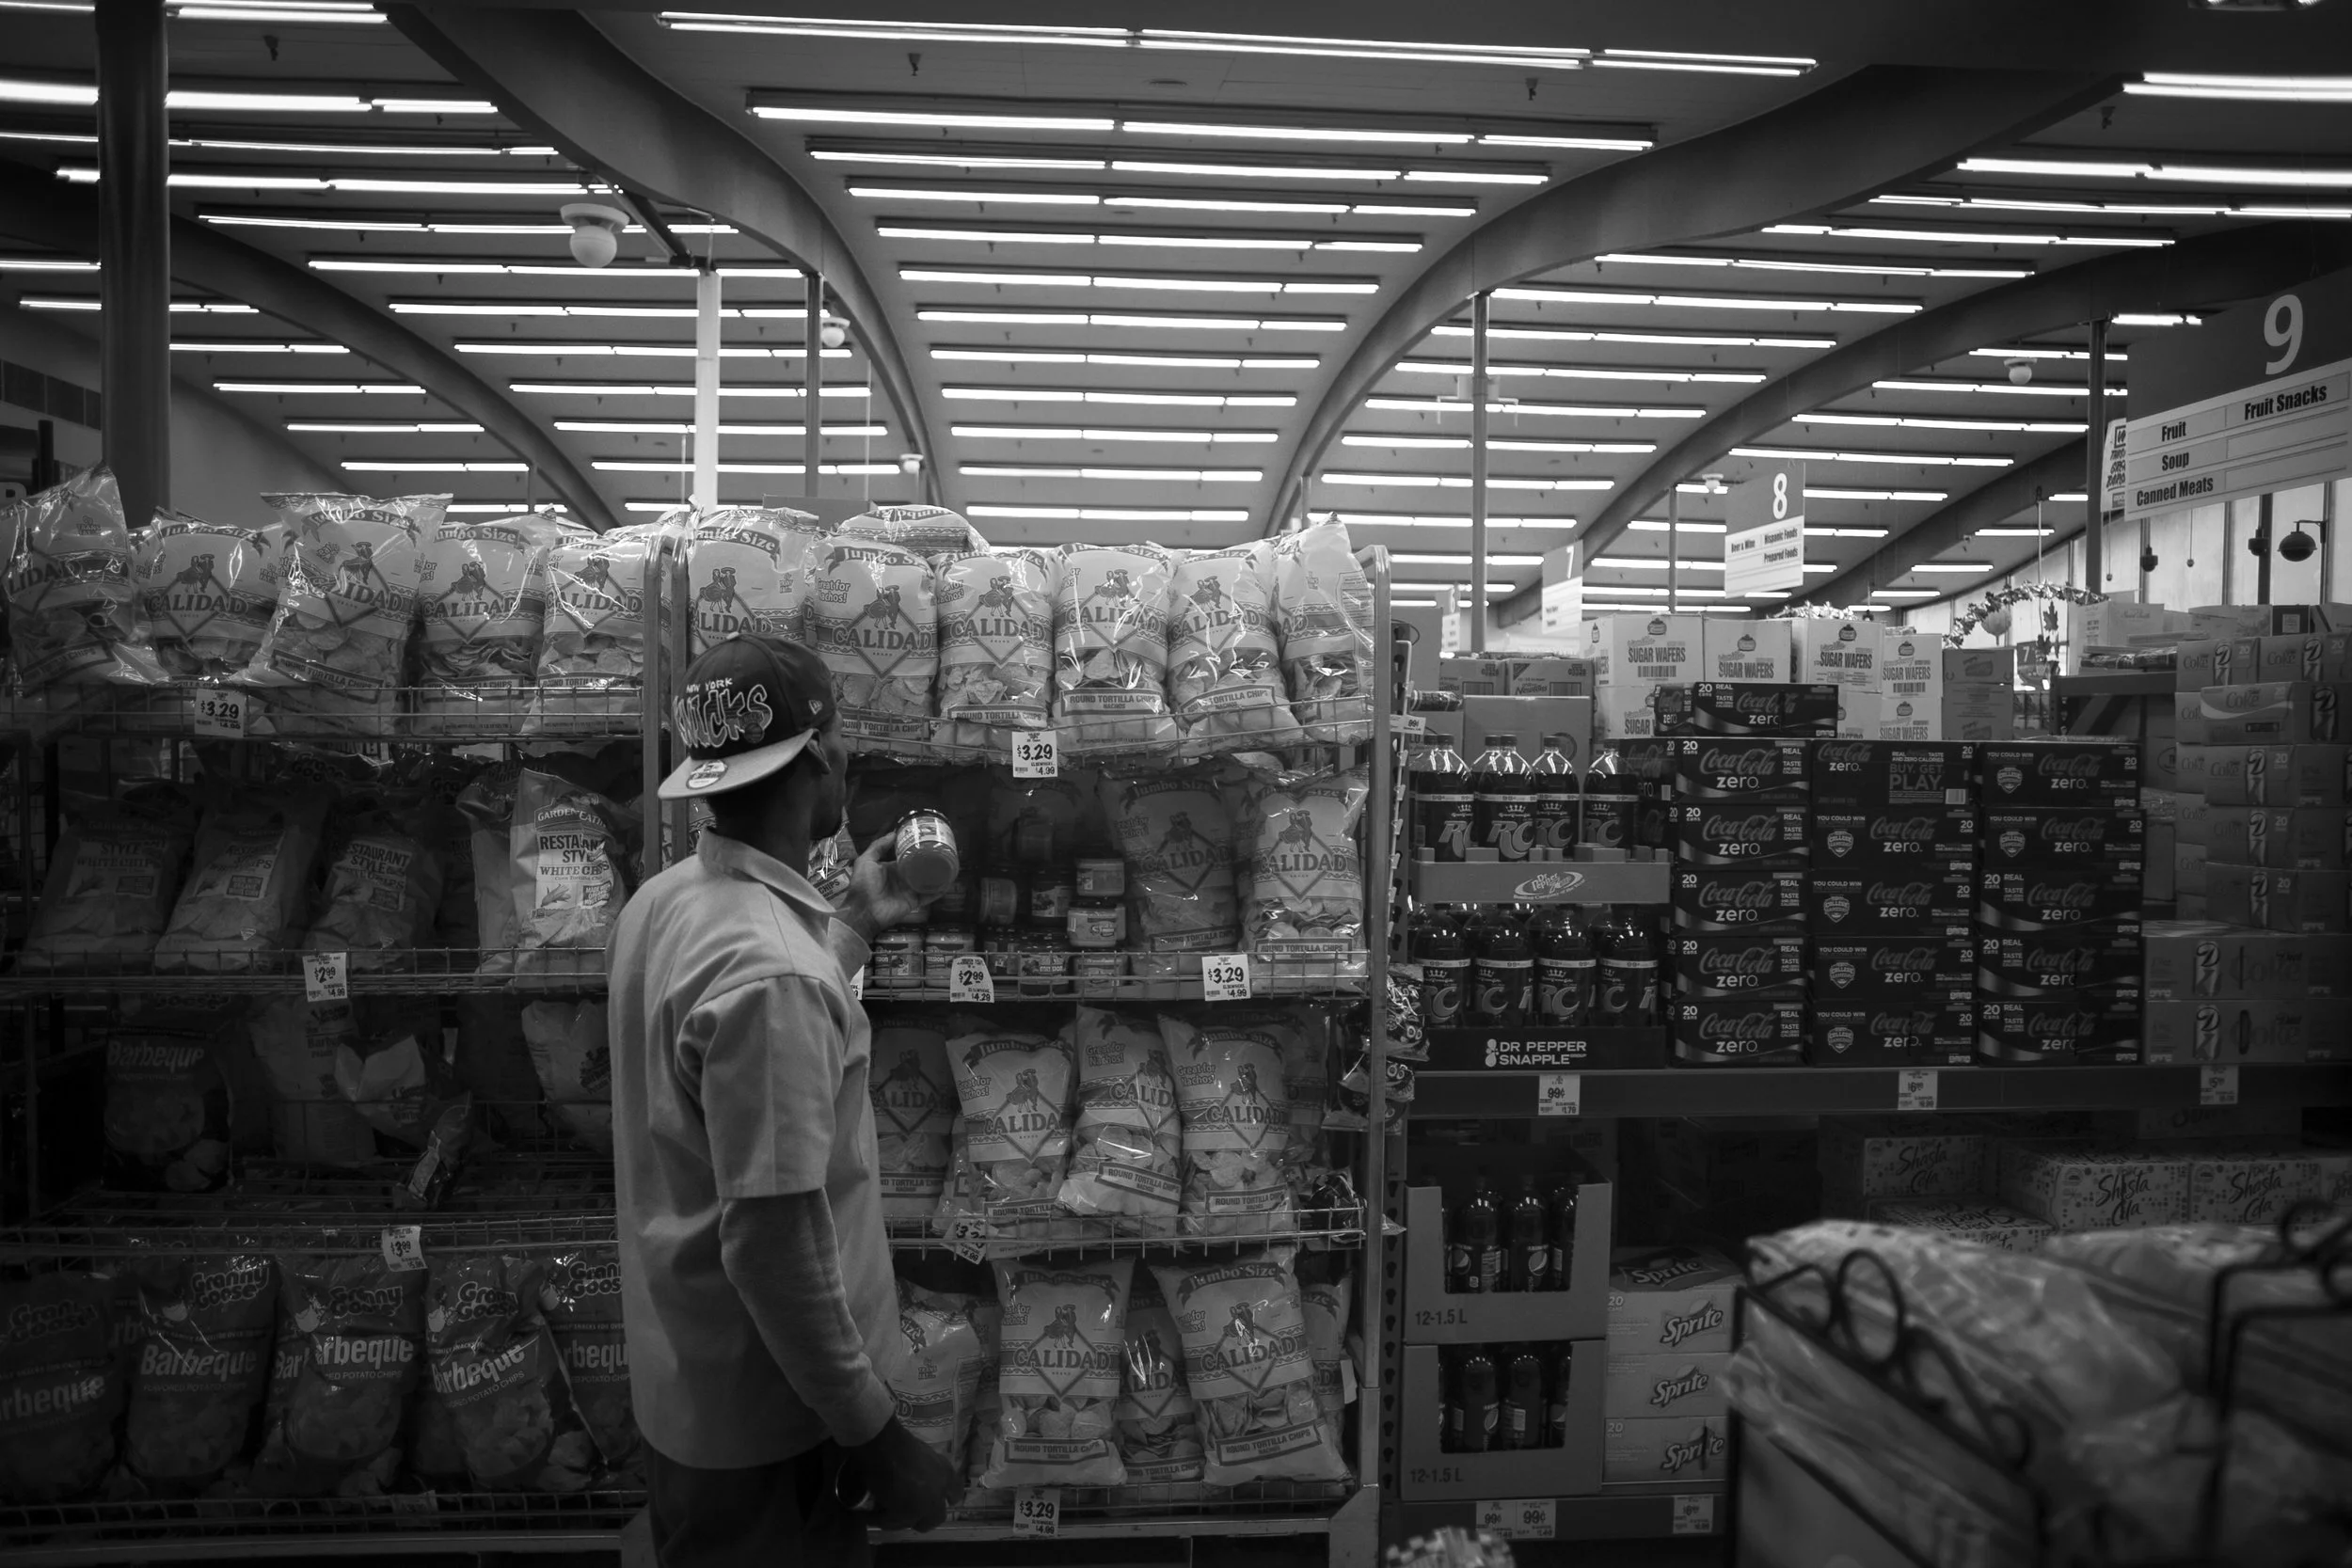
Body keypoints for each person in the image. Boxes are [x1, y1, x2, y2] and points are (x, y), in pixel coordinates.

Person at [610, 634, 961, 1566]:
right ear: (817, 759)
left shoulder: (665, 901)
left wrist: (846, 929)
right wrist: (872, 1429)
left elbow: (747, 1041)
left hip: (692, 1380)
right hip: (772, 1426)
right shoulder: (773, 972)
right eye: (837, 733)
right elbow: (770, 1241)